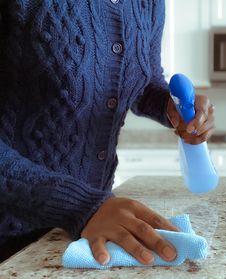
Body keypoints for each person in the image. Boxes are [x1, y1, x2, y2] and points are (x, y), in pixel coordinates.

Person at [0, 0, 215, 264]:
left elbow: (144, 80)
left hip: (84, 235)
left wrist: (170, 108)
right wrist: (81, 206)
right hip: (11, 235)